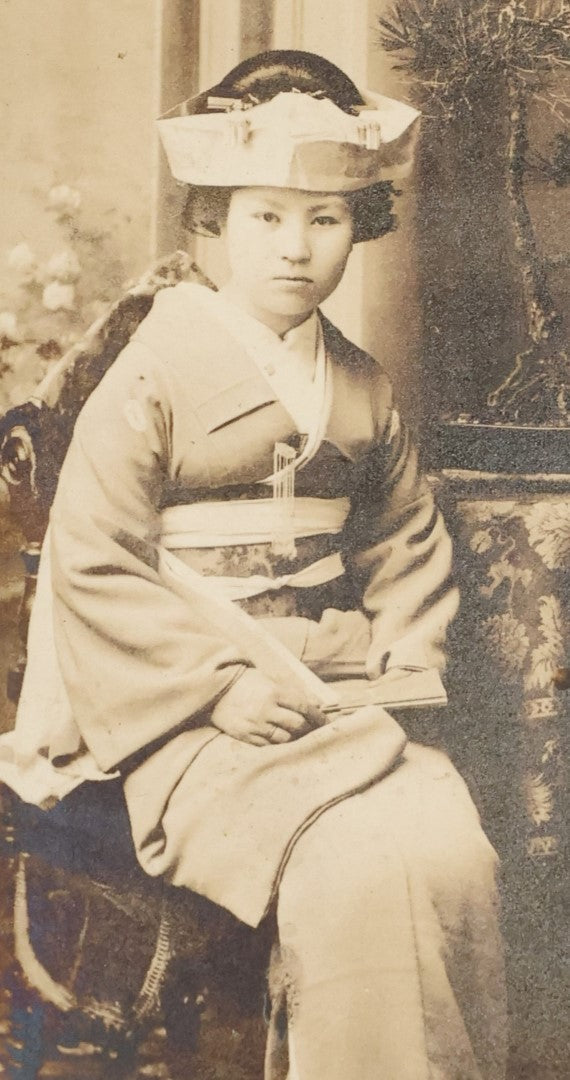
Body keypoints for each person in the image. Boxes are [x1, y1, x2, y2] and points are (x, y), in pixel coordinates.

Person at [2, 50, 506, 1079]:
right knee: (351, 868)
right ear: (215, 222)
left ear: (359, 228)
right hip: (189, 713)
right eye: (267, 216)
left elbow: (408, 543)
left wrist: (400, 671)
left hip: (335, 693)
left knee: (454, 851)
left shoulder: (362, 386)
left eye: (325, 219)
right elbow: (94, 565)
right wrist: (215, 690)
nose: (295, 248)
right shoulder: (149, 374)